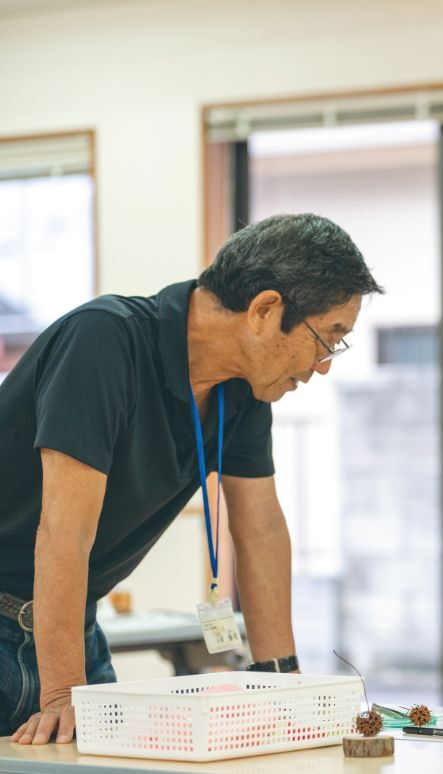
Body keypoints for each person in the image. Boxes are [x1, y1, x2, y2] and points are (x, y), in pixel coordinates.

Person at [0, 213, 383, 744]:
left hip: (72, 625)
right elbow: (65, 531)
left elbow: (260, 530)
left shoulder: (244, 390)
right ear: (265, 310)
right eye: (329, 336)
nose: (324, 364)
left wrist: (282, 689)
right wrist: (63, 692)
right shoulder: (104, 341)